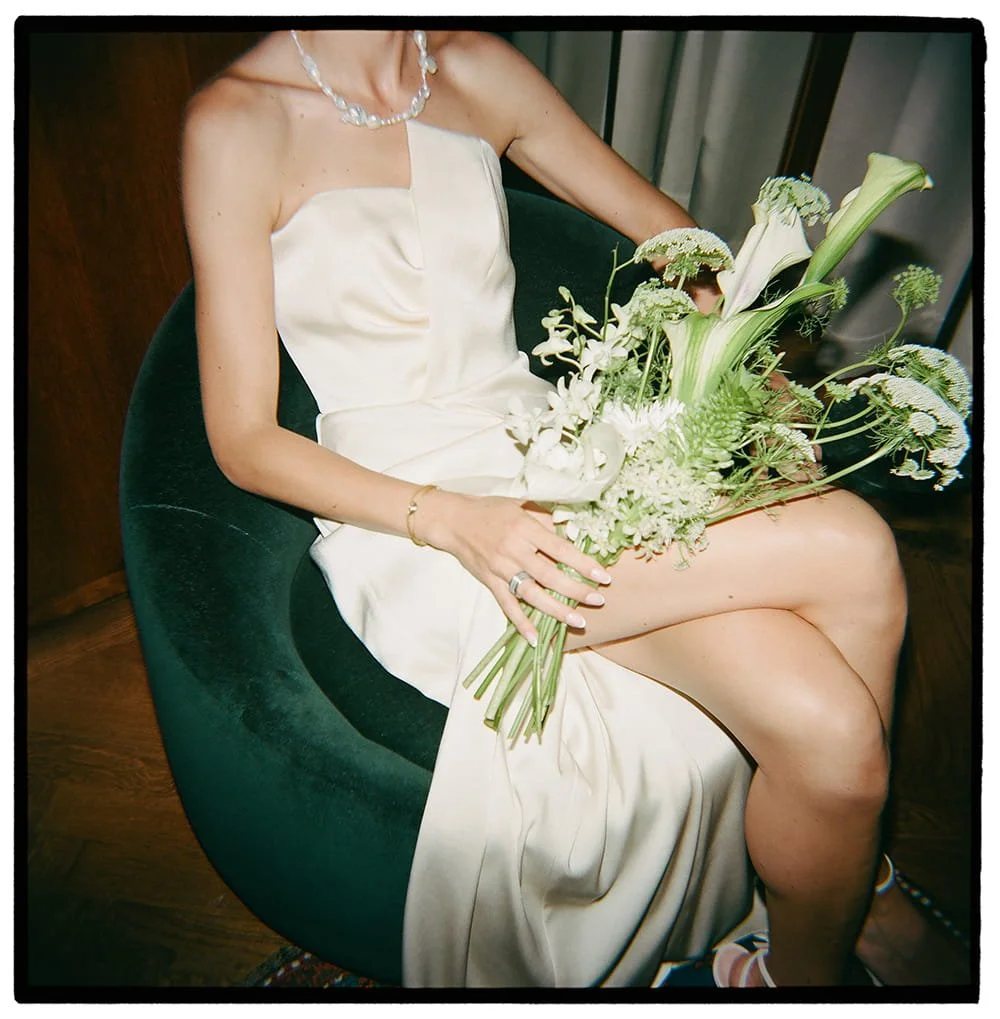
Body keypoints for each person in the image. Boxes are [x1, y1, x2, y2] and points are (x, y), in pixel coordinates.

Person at [181, 29, 965, 988]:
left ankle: (801, 959)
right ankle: (855, 902)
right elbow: (243, 439)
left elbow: (672, 239)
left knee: (837, 736)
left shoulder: (474, 66)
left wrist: (736, 363)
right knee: (853, 543)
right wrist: (455, 521)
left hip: (554, 444)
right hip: (416, 513)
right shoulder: (235, 120)